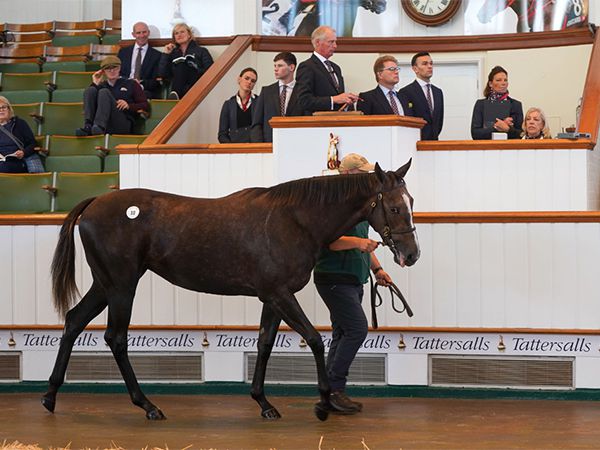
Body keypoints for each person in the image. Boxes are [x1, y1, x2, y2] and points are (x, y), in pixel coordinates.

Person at [313, 153, 393, 414]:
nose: (366, 179)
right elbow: (328, 242)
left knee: (342, 333)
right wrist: (360, 244)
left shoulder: (357, 207)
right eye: (361, 174)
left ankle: (329, 391)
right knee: (357, 329)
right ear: (347, 175)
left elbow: (363, 243)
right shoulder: (331, 206)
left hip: (352, 278)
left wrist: (378, 268)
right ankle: (335, 388)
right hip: (334, 277)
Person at [76, 56, 149, 136]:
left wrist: (129, 106)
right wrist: (95, 83)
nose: (112, 71)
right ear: (103, 71)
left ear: (119, 68)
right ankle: (88, 125)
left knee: (104, 92)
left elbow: (144, 105)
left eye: (115, 68)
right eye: (108, 69)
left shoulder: (131, 83)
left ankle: (99, 126)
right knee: (90, 90)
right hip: (104, 124)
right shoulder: (101, 85)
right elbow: (90, 104)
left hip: (122, 122)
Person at [295, 25, 359, 115]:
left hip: (337, 122)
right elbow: (304, 100)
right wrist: (333, 100)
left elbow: (338, 99)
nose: (335, 46)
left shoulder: (336, 68)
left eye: (335, 42)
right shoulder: (307, 66)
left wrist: (346, 101)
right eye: (331, 42)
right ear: (318, 42)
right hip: (317, 124)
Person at [251, 52, 303, 143]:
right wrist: (260, 146)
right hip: (269, 145)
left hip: (296, 143)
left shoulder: (303, 91)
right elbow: (257, 123)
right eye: (275, 66)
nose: (275, 69)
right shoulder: (266, 92)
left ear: (291, 67)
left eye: (280, 66)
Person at [159, 23, 214, 100]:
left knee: (184, 65)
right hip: (179, 85)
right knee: (181, 65)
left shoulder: (201, 51)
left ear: (189, 35)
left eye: (182, 32)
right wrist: (165, 54)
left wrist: (194, 68)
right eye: (176, 33)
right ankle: (177, 95)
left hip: (196, 84)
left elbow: (211, 71)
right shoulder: (173, 54)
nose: (179, 35)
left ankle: (176, 95)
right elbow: (162, 74)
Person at [398, 52, 444, 140]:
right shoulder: (406, 92)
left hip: (434, 142)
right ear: (415, 69)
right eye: (425, 64)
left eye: (431, 63)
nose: (430, 66)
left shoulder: (438, 92)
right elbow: (408, 119)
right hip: (414, 142)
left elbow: (439, 122)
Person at [471, 65, 523, 140]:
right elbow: (475, 134)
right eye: (499, 80)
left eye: (505, 80)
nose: (503, 83)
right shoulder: (480, 105)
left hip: (509, 148)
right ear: (490, 84)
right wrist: (497, 127)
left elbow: (521, 134)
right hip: (485, 148)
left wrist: (508, 129)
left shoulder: (516, 105)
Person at [117, 21, 162, 99]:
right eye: (138, 33)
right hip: (124, 87)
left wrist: (140, 85)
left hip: (144, 90)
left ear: (148, 33)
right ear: (133, 34)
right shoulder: (123, 52)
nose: (142, 35)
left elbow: (155, 81)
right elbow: (118, 73)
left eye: (144, 32)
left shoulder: (157, 55)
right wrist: (129, 83)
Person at [217, 68, 258, 143]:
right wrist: (231, 149)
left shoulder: (259, 102)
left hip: (255, 148)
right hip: (235, 149)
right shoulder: (228, 104)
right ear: (239, 79)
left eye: (253, 81)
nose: (249, 82)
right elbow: (222, 134)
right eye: (246, 78)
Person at [0, 96, 36, 173]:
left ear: (9, 109)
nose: (1, 110)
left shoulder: (19, 123)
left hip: (17, 161)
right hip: (1, 160)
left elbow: (32, 144)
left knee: (3, 167)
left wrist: (23, 153)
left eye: (4, 107)